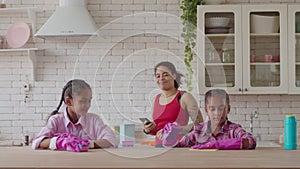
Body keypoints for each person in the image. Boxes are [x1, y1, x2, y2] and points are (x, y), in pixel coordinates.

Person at [32, 79, 118, 151]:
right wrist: (59, 142)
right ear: (69, 101)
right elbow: (38, 142)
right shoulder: (56, 120)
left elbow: (111, 140)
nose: (87, 105)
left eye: (89, 101)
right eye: (83, 101)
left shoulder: (94, 120)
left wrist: (89, 144)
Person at [162, 89, 256, 149]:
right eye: (212, 109)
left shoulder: (233, 130)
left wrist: (218, 145)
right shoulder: (198, 131)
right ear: (206, 110)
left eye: (221, 108)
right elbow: (177, 145)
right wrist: (170, 136)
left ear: (228, 109)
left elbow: (251, 141)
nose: (217, 113)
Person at [142, 61, 203, 147]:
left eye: (165, 74)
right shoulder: (155, 99)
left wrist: (177, 130)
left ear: (174, 75)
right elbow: (158, 130)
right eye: (158, 76)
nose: (161, 78)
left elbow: (200, 124)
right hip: (159, 147)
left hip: (178, 147)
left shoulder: (184, 97)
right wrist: (148, 129)